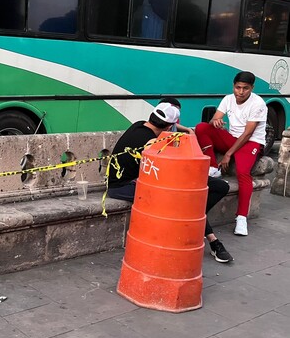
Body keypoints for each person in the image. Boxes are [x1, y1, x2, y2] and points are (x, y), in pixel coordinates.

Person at [108, 102, 233, 262]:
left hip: (144, 180)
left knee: (219, 187)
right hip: (122, 187)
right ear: (169, 127)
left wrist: (187, 130)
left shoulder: (139, 126)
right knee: (183, 201)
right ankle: (212, 240)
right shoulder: (153, 143)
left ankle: (196, 226)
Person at [194, 71, 267, 236]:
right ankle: (213, 167)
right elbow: (214, 119)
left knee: (243, 173)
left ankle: (241, 218)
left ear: (252, 88)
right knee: (202, 127)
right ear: (233, 86)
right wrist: (216, 121)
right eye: (238, 87)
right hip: (233, 139)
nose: (240, 92)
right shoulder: (228, 98)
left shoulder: (258, 104)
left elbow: (248, 133)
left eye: (245, 88)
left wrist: (228, 154)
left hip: (251, 142)